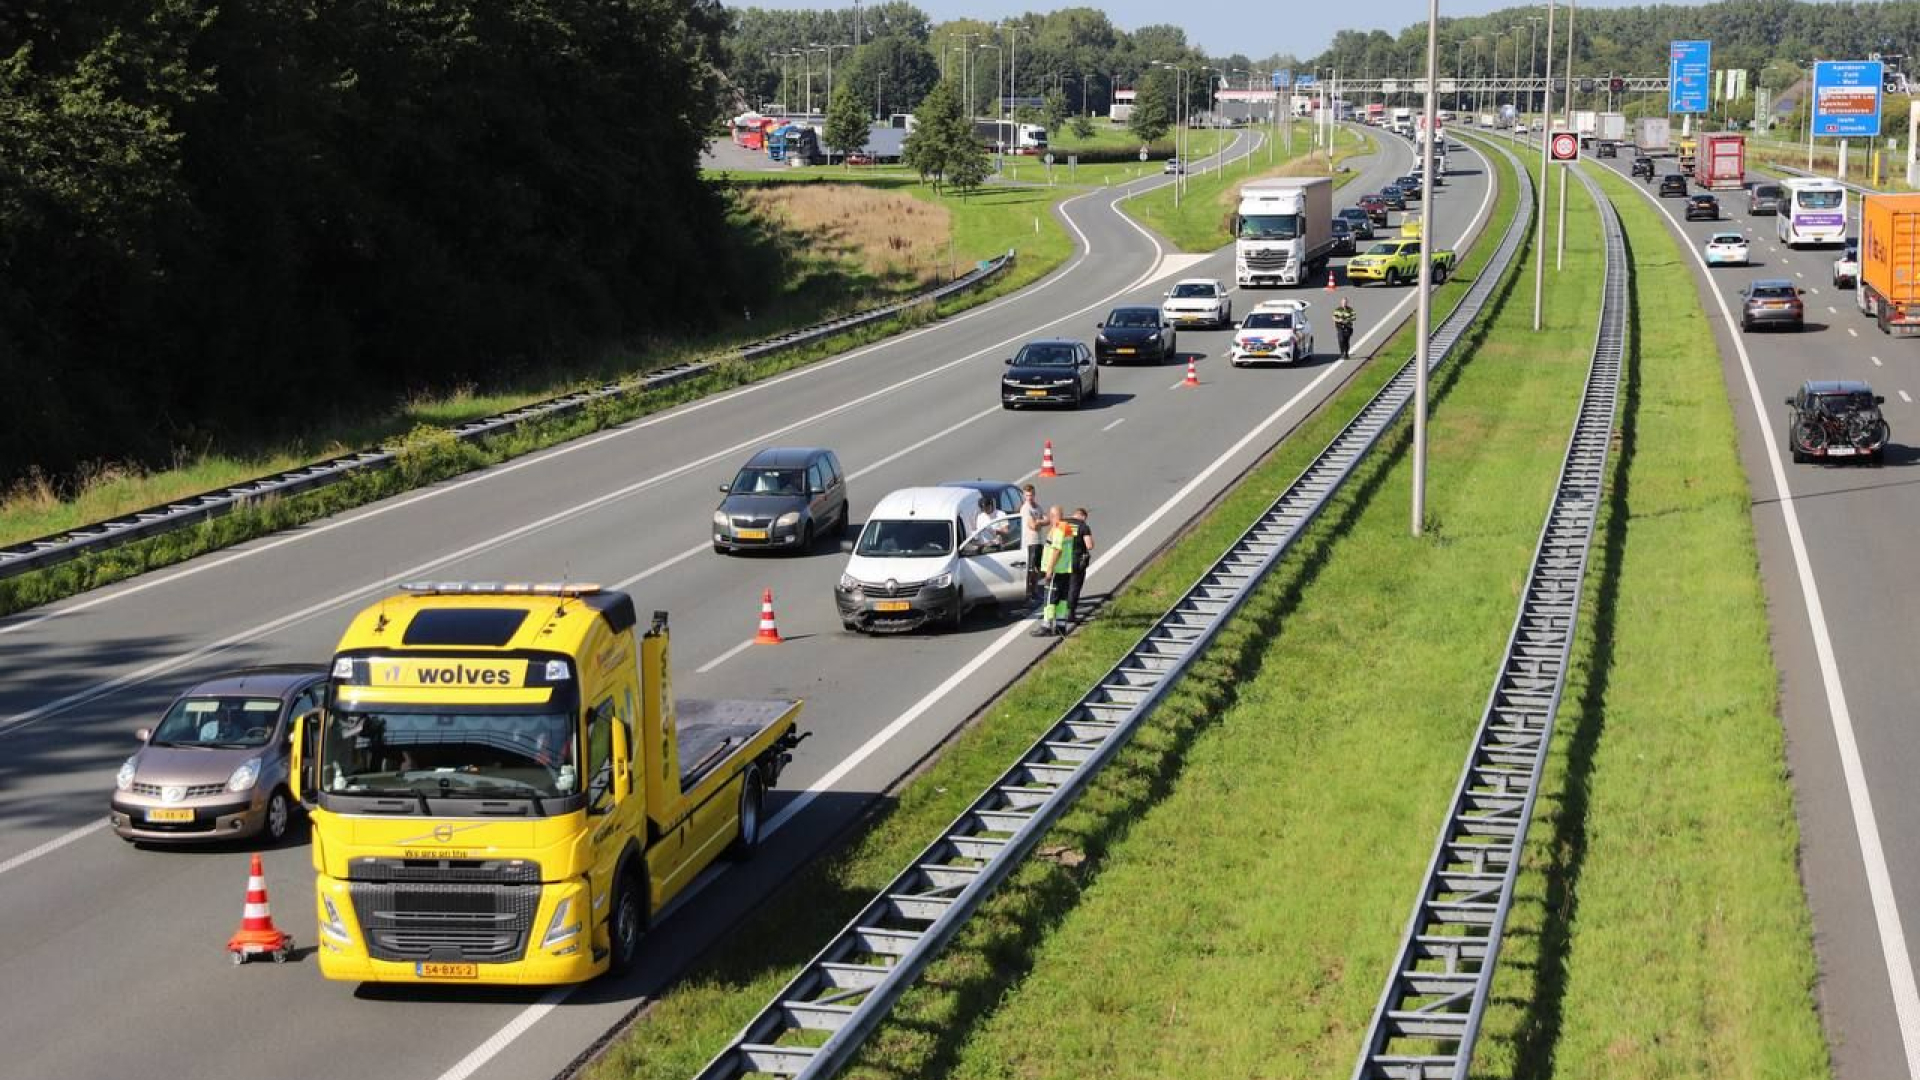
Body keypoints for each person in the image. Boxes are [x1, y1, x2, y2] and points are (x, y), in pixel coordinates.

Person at [1031, 506, 1075, 637]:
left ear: (1052, 516)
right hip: (1065, 570)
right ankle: (1061, 626)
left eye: (1050, 516)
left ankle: (1046, 626)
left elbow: (1057, 550)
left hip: (1056, 570)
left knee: (1049, 599)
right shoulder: (1067, 527)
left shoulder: (1058, 529)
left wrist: (1049, 569)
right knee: (1062, 599)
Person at [1065, 507, 1094, 620]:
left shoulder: (1062, 523)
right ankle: (1071, 613)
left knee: (1063, 586)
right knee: (1074, 586)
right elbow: (1089, 545)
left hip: (1062, 560)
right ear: (1083, 516)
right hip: (1076, 560)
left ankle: (1059, 614)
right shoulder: (1083, 526)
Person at [1019, 484, 1045, 603]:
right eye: (1027, 495)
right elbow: (1033, 526)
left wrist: (1038, 521)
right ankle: (1029, 593)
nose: (1030, 498)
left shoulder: (1037, 507)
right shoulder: (1026, 509)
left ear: (1034, 495)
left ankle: (1034, 591)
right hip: (1030, 542)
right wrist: (1040, 522)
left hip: (1039, 541)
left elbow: (1047, 520)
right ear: (1024, 496)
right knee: (1030, 570)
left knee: (1037, 569)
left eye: (1031, 495)